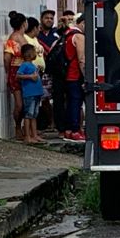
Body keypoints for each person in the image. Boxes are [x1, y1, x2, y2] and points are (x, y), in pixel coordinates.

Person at [58, 12, 85, 141]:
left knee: (70, 102)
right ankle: (75, 130)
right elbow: (81, 58)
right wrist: (85, 76)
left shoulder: (67, 34)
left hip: (67, 75)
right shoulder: (78, 36)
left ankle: (68, 130)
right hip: (75, 75)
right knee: (76, 102)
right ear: (83, 23)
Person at [4, 12, 31, 134]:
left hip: (25, 69)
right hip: (16, 70)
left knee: (26, 103)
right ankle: (17, 127)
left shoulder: (23, 37)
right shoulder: (14, 38)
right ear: (24, 23)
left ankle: (26, 127)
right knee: (19, 104)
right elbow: (7, 57)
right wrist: (9, 72)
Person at [37, 9, 63, 130]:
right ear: (41, 19)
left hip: (57, 71)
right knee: (45, 98)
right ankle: (50, 122)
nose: (49, 20)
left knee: (59, 98)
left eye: (51, 18)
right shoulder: (37, 35)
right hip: (43, 72)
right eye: (46, 18)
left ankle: (59, 122)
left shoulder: (57, 33)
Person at [15, 44, 44, 143]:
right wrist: (30, 77)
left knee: (34, 115)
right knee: (28, 114)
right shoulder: (24, 65)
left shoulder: (32, 65)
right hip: (29, 94)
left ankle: (34, 134)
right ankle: (27, 136)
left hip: (36, 93)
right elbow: (18, 76)